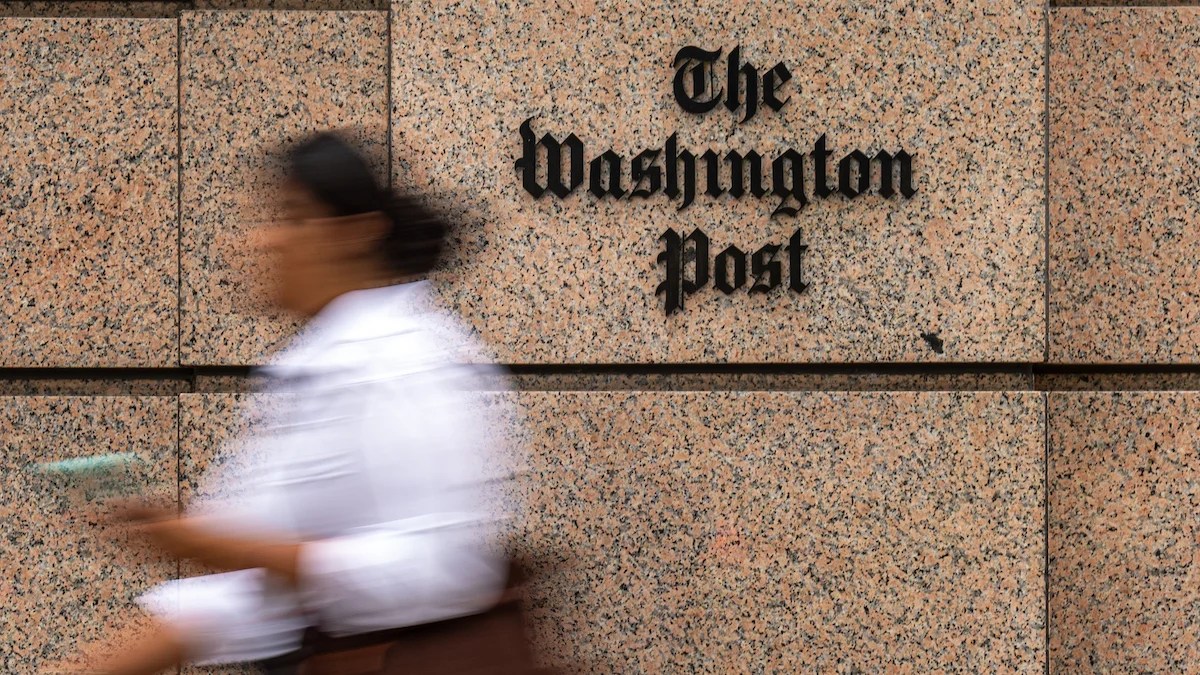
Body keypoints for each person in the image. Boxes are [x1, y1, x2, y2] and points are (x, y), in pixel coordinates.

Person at [74, 132, 526, 674]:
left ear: (356, 233)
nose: (264, 240)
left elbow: (446, 566)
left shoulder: (406, 361)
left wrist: (234, 549)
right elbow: (250, 593)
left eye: (292, 216)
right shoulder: (318, 365)